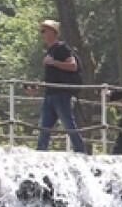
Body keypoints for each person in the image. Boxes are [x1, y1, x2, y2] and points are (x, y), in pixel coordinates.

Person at [35, 19, 86, 153]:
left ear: (53, 32)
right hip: (50, 94)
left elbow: (73, 65)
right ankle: (40, 151)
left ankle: (81, 151)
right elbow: (51, 76)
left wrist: (53, 62)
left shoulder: (61, 48)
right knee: (44, 127)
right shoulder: (49, 51)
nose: (42, 34)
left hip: (61, 94)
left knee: (69, 124)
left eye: (44, 31)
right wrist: (38, 87)